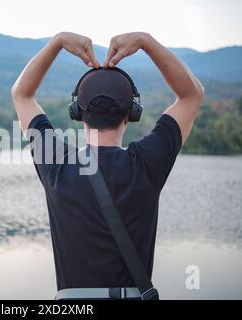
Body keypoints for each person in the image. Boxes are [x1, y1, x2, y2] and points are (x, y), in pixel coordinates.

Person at [11, 32, 204, 300]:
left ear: (77, 113)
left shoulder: (58, 165)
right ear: (131, 114)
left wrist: (57, 43)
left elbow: (21, 94)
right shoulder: (146, 163)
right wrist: (145, 42)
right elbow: (191, 95)